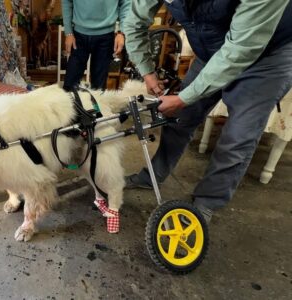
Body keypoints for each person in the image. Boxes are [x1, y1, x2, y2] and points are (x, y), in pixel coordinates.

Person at [122, 0, 292, 223]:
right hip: (212, 50)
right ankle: (153, 175)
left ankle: (206, 202)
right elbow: (134, 23)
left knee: (238, 137)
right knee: (181, 119)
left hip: (267, 57)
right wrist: (147, 72)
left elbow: (240, 49)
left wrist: (183, 98)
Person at [62, 0, 131, 91]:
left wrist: (122, 32)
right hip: (78, 36)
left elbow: (126, 3)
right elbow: (67, 1)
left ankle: (95, 105)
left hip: (105, 37)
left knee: (99, 88)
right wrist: (68, 32)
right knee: (69, 86)